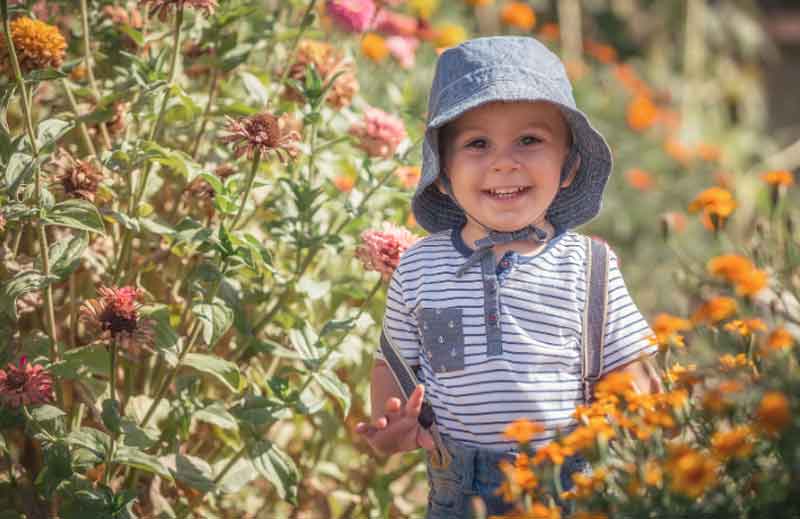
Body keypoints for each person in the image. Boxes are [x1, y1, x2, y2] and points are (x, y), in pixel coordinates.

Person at [355, 36, 663, 518]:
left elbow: (630, 365)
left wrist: (633, 414)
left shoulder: (588, 265)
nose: (504, 161)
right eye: (478, 143)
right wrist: (392, 421)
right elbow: (392, 367)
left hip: (567, 485)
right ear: (442, 172)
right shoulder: (419, 268)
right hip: (461, 489)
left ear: (568, 165)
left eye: (529, 140)